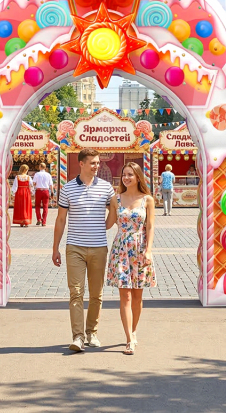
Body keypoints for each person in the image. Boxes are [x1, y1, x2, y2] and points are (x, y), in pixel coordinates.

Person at [53, 147, 117, 353]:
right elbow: (60, 219)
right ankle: (78, 336)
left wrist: (107, 223)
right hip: (75, 248)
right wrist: (55, 248)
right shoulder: (68, 189)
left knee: (97, 294)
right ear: (81, 164)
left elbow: (113, 213)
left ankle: (92, 332)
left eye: (98, 162)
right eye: (93, 163)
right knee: (76, 292)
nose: (96, 166)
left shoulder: (106, 188)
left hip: (99, 248)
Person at [106, 162, 156, 355]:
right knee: (125, 295)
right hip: (121, 249)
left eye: (130, 175)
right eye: (124, 174)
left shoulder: (147, 200)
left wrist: (148, 250)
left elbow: (150, 226)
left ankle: (134, 330)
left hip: (140, 248)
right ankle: (129, 338)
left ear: (137, 177)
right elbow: (109, 223)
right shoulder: (116, 199)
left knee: (137, 296)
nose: (126, 178)